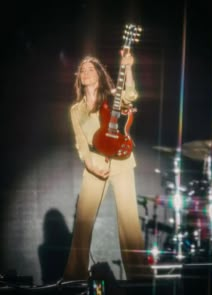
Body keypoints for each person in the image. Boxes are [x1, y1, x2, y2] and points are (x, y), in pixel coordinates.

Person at [63, 52, 151, 281]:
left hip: (121, 162)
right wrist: (90, 165)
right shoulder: (76, 110)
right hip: (94, 164)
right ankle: (74, 278)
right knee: (83, 222)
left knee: (129, 221)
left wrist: (128, 67)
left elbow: (131, 95)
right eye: (82, 70)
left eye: (91, 69)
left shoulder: (112, 98)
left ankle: (140, 277)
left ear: (100, 75)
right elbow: (80, 142)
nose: (85, 72)